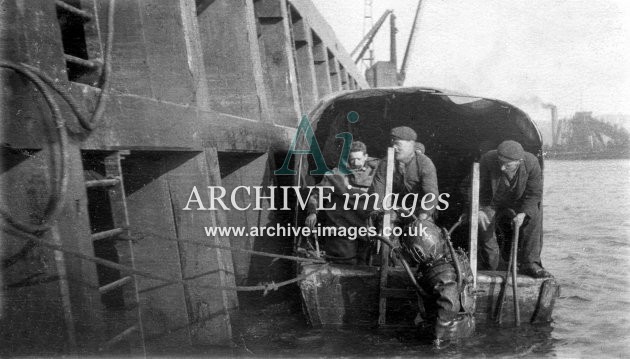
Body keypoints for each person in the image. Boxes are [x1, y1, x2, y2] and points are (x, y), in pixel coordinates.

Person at [477, 140, 551, 278]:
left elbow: (535, 194)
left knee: (534, 213)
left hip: (518, 202)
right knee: (484, 223)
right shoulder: (488, 159)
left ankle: (530, 263)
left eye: (508, 165)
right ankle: (494, 265)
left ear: (520, 161)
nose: (502, 168)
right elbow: (472, 186)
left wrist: (523, 213)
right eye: (500, 162)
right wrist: (479, 209)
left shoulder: (531, 162)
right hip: (492, 202)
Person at [305, 141, 379, 264]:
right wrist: (312, 212)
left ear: (366, 157)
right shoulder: (337, 174)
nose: (355, 163)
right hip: (341, 227)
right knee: (345, 265)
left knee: (366, 266)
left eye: (359, 159)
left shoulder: (377, 173)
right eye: (352, 159)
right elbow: (317, 194)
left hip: (366, 228)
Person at [370, 126, 439, 220]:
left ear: (411, 144)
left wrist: (423, 216)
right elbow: (378, 191)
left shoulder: (424, 163)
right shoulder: (385, 163)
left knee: (423, 233)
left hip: (420, 210)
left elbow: (431, 195)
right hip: (394, 210)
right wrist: (380, 213)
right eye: (393, 143)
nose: (394, 147)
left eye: (398, 144)